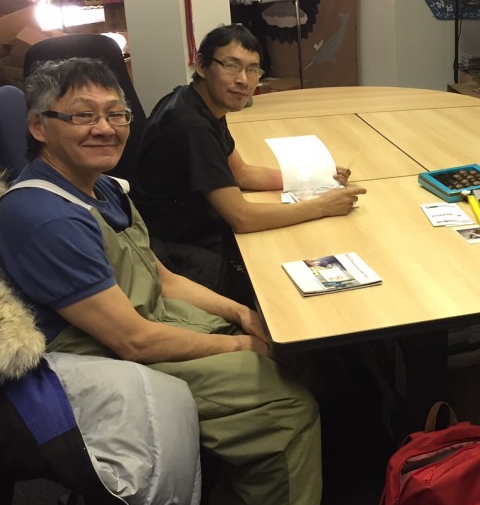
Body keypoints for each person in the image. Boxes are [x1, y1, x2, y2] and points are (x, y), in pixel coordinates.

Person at [0, 57, 321, 505]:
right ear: (39, 127)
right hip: (103, 362)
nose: (106, 127)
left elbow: (160, 277)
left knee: (286, 341)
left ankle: (239, 500)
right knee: (285, 403)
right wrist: (241, 345)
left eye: (116, 114)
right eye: (82, 116)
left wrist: (242, 314)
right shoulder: (45, 216)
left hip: (145, 322)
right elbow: (133, 343)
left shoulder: (100, 187)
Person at [132, 24, 365, 303]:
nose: (243, 80)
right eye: (231, 66)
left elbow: (241, 173)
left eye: (252, 69)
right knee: (282, 287)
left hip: (195, 228)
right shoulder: (189, 124)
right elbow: (242, 218)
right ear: (203, 66)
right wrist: (321, 207)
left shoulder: (197, 102)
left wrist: (317, 175)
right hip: (174, 248)